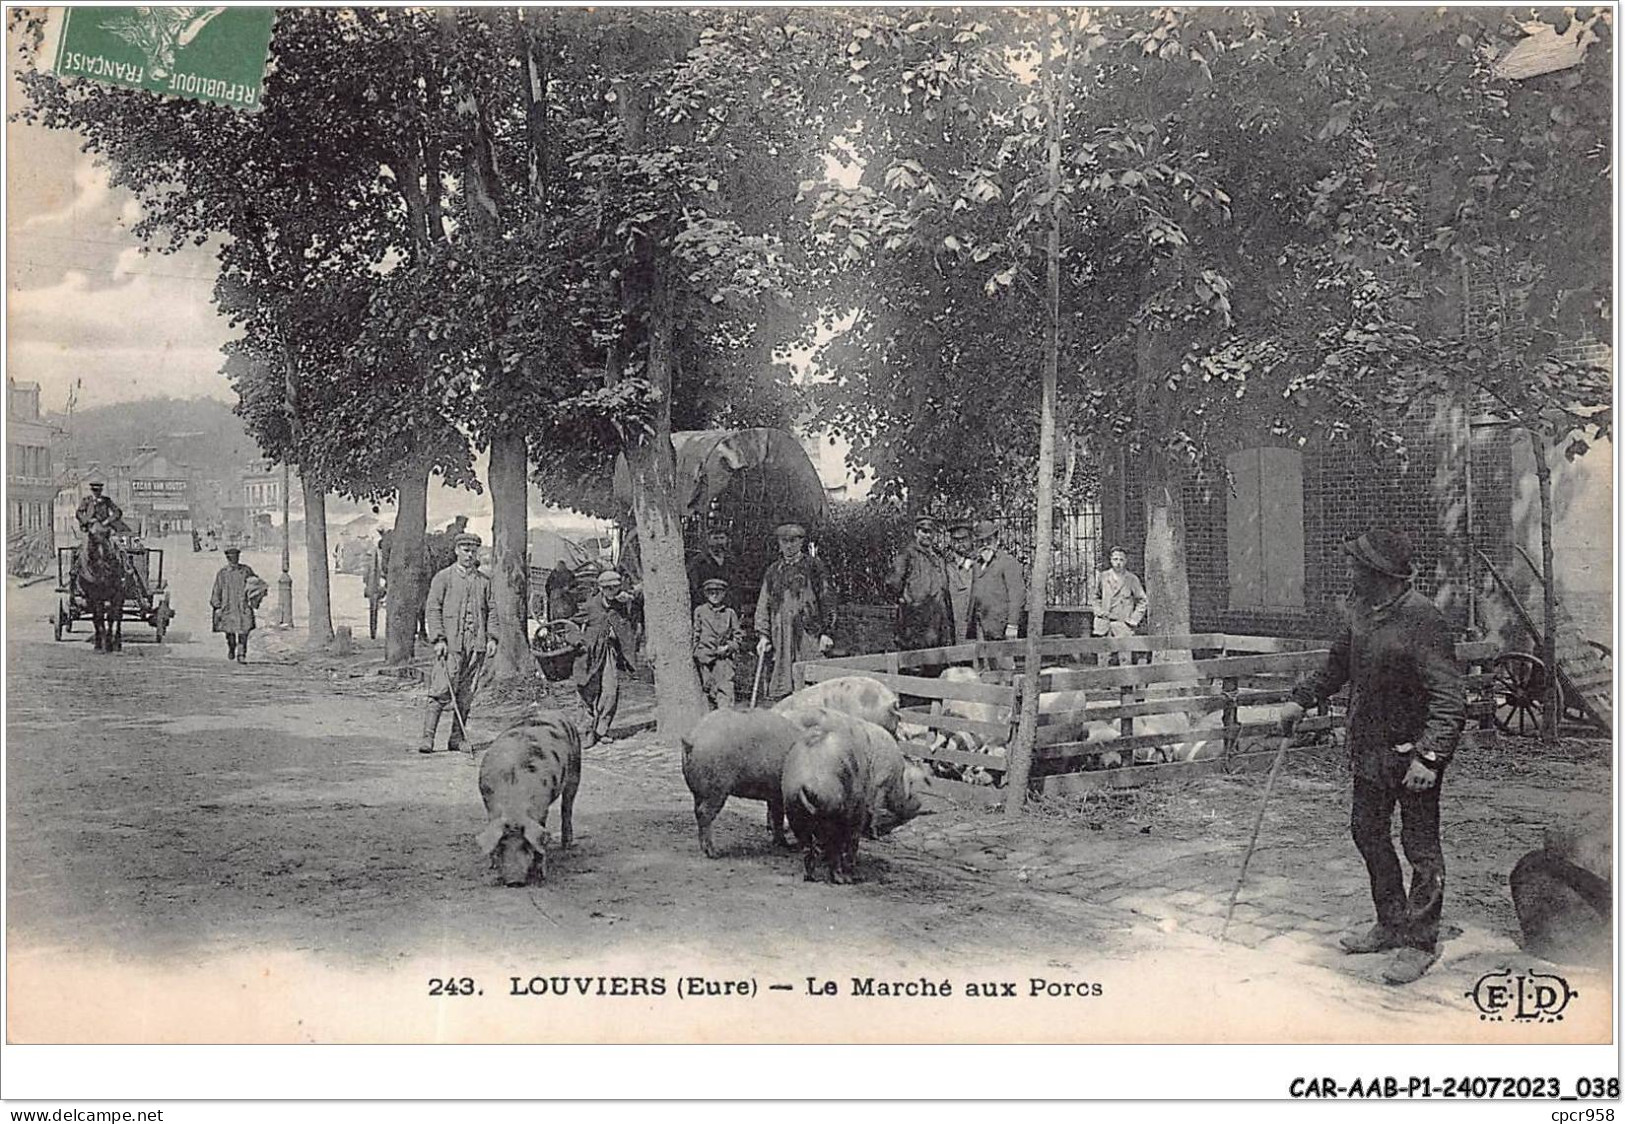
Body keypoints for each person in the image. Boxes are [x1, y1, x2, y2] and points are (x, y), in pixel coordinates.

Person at [1278, 529, 1465, 986]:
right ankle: (1390, 922)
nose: (1348, 572)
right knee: (1367, 832)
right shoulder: (1361, 612)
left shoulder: (1423, 619)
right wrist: (1301, 699)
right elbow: (1337, 665)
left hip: (1413, 755)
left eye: (1355, 566)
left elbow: (1449, 698)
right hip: (1370, 749)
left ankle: (1419, 942)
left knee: (1420, 846)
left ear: (1378, 573)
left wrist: (1430, 757)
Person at [419, 532, 497, 754]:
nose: (469, 554)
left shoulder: (484, 581)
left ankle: (456, 738)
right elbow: (432, 609)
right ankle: (428, 739)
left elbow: (492, 610)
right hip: (451, 646)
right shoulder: (443, 578)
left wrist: (492, 637)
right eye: (465, 549)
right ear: (456, 551)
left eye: (473, 550)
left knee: (466, 694)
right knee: (441, 689)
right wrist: (438, 639)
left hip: (476, 646)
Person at [753, 521, 835, 702]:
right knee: (783, 678)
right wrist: (763, 635)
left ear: (801, 542)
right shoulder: (774, 571)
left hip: (808, 632)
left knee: (811, 680)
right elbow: (763, 602)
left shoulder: (814, 567)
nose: (789, 546)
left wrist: (826, 633)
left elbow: (827, 599)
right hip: (781, 633)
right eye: (784, 541)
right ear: (779, 544)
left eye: (793, 541)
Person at [573, 569, 639, 746]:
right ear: (601, 588)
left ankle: (602, 729)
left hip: (609, 652)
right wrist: (578, 641)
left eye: (616, 588)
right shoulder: (590, 606)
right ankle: (585, 731)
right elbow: (570, 625)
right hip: (590, 653)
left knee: (610, 691)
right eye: (608, 588)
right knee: (586, 690)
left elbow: (634, 612)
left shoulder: (621, 603)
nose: (612, 592)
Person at [886, 515, 952, 655]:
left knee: (935, 661)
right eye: (924, 531)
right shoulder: (907, 555)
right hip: (915, 620)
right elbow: (893, 583)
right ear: (916, 532)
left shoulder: (938, 557)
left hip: (936, 619)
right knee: (914, 663)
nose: (927, 535)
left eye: (930, 532)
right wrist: (907, 602)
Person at [968, 519, 1025, 644]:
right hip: (981, 626)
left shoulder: (1008, 562)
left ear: (997, 540)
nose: (985, 545)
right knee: (983, 661)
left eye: (989, 541)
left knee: (1003, 661)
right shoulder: (977, 564)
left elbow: (1017, 596)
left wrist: (1012, 624)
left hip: (1000, 627)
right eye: (981, 542)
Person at [1091, 546, 1150, 666]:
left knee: (1124, 660)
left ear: (1126, 561)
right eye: (1115, 559)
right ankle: (1104, 685)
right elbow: (1095, 597)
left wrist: (1133, 620)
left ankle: (1126, 685)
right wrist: (1098, 611)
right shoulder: (1103, 577)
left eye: (1121, 560)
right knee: (1103, 660)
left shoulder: (1132, 579)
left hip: (1123, 624)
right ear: (1111, 560)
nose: (1118, 563)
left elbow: (1142, 600)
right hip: (1104, 624)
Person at [210, 547, 266, 664]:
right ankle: (231, 646)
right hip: (228, 606)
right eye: (230, 558)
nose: (233, 560)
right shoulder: (223, 573)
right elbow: (217, 589)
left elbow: (255, 584)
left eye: (235, 557)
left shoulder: (246, 571)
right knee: (229, 631)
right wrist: (217, 605)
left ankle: (241, 654)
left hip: (242, 605)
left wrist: (255, 596)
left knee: (244, 630)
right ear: (227, 559)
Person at [692, 576, 741, 710]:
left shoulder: (730, 613)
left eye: (718, 592)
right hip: (705, 659)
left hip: (723, 660)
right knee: (707, 691)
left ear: (724, 594)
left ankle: (725, 721)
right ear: (705, 594)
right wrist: (698, 654)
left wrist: (728, 647)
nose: (714, 596)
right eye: (711, 592)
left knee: (725, 691)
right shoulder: (700, 611)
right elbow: (695, 635)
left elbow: (738, 638)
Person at [686, 525, 734, 608]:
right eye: (715, 538)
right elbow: (694, 589)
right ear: (708, 540)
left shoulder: (731, 562)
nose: (719, 542)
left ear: (727, 540)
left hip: (726, 608)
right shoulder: (698, 562)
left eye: (722, 538)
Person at [944, 521, 975, 643]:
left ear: (971, 539)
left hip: (974, 615)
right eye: (956, 540)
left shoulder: (980, 561)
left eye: (964, 539)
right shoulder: (946, 563)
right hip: (954, 614)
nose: (960, 543)